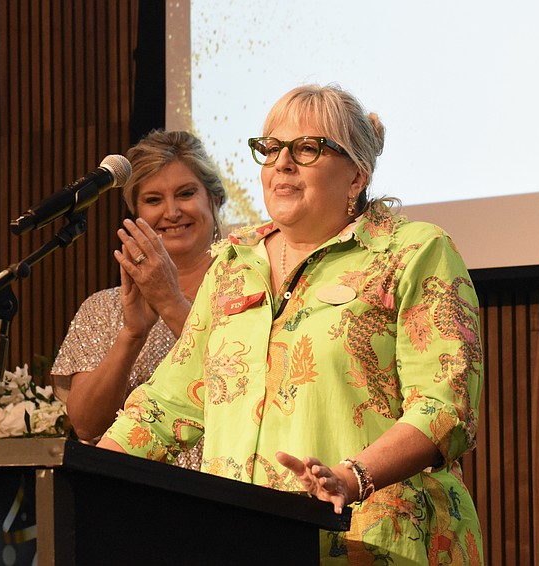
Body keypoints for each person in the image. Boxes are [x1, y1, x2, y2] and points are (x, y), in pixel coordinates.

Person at [98, 84, 484, 564]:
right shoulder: (233, 264)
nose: (282, 163)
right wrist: (87, 475)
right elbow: (170, 402)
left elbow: (445, 407)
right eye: (272, 148)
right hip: (248, 542)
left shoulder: (412, 252)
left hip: (379, 541)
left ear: (356, 176)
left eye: (307, 149)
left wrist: (351, 476)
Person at [50, 129, 227, 472]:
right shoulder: (103, 307)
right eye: (153, 200)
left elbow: (237, 380)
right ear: (136, 214)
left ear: (214, 199)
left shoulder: (250, 291)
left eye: (186, 193)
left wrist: (171, 301)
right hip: (132, 499)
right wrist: (131, 334)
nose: (172, 212)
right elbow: (86, 426)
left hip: (226, 489)